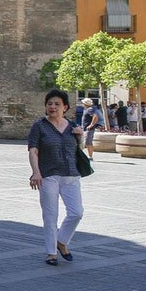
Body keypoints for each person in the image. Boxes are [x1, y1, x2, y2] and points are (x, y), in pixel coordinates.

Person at [27, 89, 85, 267]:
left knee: (77, 212)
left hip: (71, 175)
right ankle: (51, 252)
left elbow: (77, 150)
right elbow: (33, 150)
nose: (52, 107)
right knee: (51, 216)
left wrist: (80, 136)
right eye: (49, 104)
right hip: (48, 176)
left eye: (57, 104)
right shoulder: (40, 126)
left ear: (65, 107)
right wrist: (36, 172)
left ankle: (61, 241)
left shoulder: (72, 126)